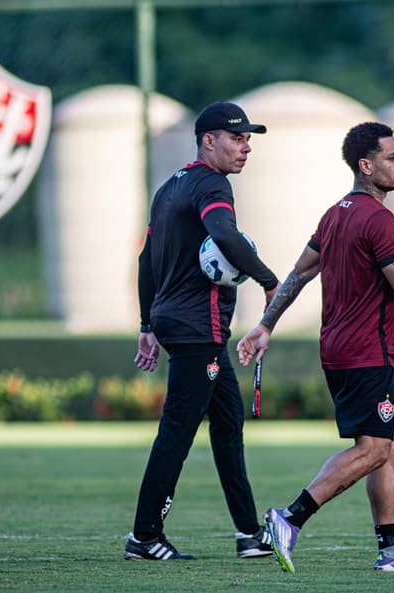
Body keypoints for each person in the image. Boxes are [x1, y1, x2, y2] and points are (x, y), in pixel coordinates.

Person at [236, 122, 394, 573]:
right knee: (373, 448)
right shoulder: (380, 220)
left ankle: (389, 550)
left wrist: (265, 325)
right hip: (364, 352)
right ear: (366, 166)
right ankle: (288, 519)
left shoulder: (335, 214)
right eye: (391, 157)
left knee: (390, 443)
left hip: (340, 349)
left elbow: (297, 274)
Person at [125, 102, 281, 561]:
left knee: (228, 424)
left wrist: (147, 325)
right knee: (177, 431)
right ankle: (145, 536)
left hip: (178, 322)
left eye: (249, 139)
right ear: (208, 140)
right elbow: (226, 236)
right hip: (198, 327)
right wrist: (272, 281)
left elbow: (144, 261)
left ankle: (249, 534)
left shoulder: (171, 186)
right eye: (237, 138)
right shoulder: (213, 185)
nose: (245, 146)